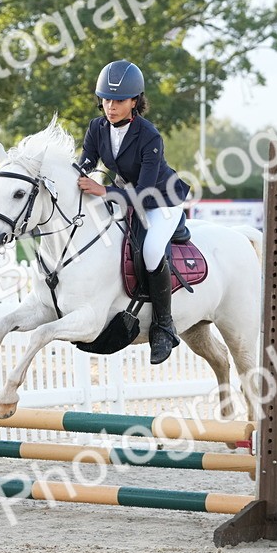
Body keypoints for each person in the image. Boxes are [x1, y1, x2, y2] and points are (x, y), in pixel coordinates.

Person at [77, 59, 191, 364]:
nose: (111, 107)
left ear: (134, 101)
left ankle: (163, 327)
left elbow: (144, 192)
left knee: (152, 250)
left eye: (119, 101)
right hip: (124, 196)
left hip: (161, 200)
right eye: (106, 100)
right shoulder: (96, 127)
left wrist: (103, 191)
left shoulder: (149, 136)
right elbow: (84, 165)